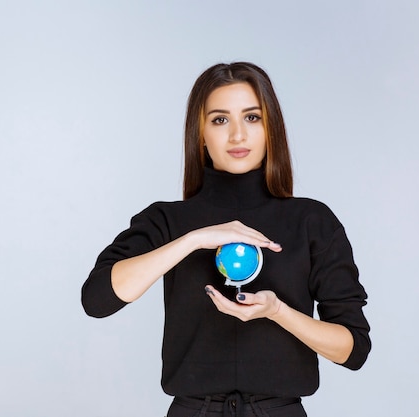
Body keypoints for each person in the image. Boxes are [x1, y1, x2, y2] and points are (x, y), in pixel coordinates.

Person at [81, 62, 370, 417]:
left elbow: (353, 349)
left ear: (271, 129)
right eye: (220, 120)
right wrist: (193, 239)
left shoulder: (311, 221)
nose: (237, 135)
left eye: (252, 118)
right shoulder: (168, 221)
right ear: (200, 133)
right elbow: (97, 299)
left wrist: (278, 312)